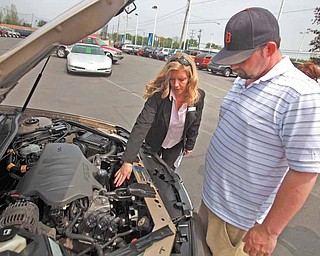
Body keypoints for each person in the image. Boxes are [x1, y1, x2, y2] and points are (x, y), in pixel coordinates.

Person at [199, 7, 320, 256]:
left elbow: (305, 171)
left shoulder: (300, 94)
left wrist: (269, 231)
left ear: (270, 49)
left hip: (239, 225)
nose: (233, 66)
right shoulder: (243, 79)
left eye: (241, 58)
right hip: (211, 205)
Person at [114, 52, 205, 187]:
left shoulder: (198, 97)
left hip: (175, 144)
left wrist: (190, 144)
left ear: (191, 78)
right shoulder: (158, 96)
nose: (176, 85)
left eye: (181, 79)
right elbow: (142, 125)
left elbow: (195, 122)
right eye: (172, 79)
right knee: (149, 172)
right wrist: (128, 161)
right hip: (155, 140)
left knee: (166, 176)